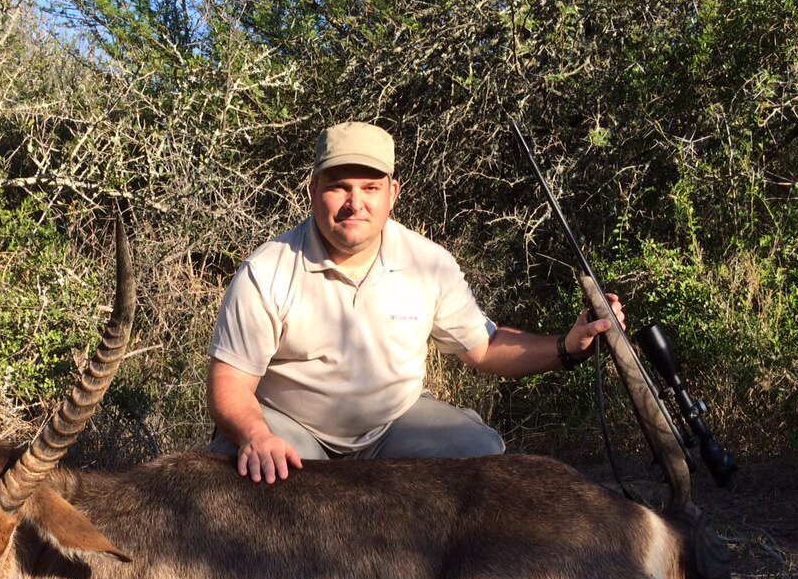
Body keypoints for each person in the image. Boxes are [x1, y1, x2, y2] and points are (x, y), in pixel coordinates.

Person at [206, 121, 625, 483]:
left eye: (370, 187)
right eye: (339, 187)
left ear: (393, 193)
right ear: (314, 190)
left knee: (482, 449)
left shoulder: (429, 263)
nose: (355, 203)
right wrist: (258, 437)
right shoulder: (266, 270)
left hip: (393, 427)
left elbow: (484, 347)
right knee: (254, 471)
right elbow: (230, 384)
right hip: (296, 429)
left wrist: (567, 346)